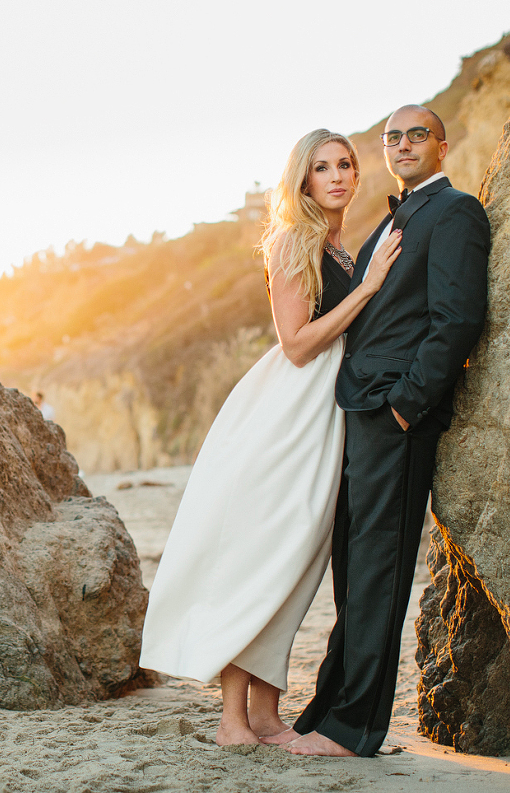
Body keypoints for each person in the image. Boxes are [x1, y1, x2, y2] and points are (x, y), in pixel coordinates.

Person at [138, 129, 402, 746]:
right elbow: (298, 342)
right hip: (285, 416)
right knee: (265, 557)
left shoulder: (339, 248)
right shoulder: (292, 240)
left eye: (344, 165)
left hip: (322, 419)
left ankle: (265, 715)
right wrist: (368, 290)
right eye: (321, 167)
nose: (336, 176)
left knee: (296, 562)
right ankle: (234, 720)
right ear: (302, 179)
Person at [273, 105, 491, 757]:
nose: (401, 144)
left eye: (415, 134)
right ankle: (326, 710)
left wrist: (404, 405)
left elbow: (455, 318)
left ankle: (353, 727)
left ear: (441, 146)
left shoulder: (452, 212)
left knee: (378, 565)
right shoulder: (397, 218)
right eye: (391, 136)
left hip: (393, 414)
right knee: (353, 563)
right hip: (359, 411)